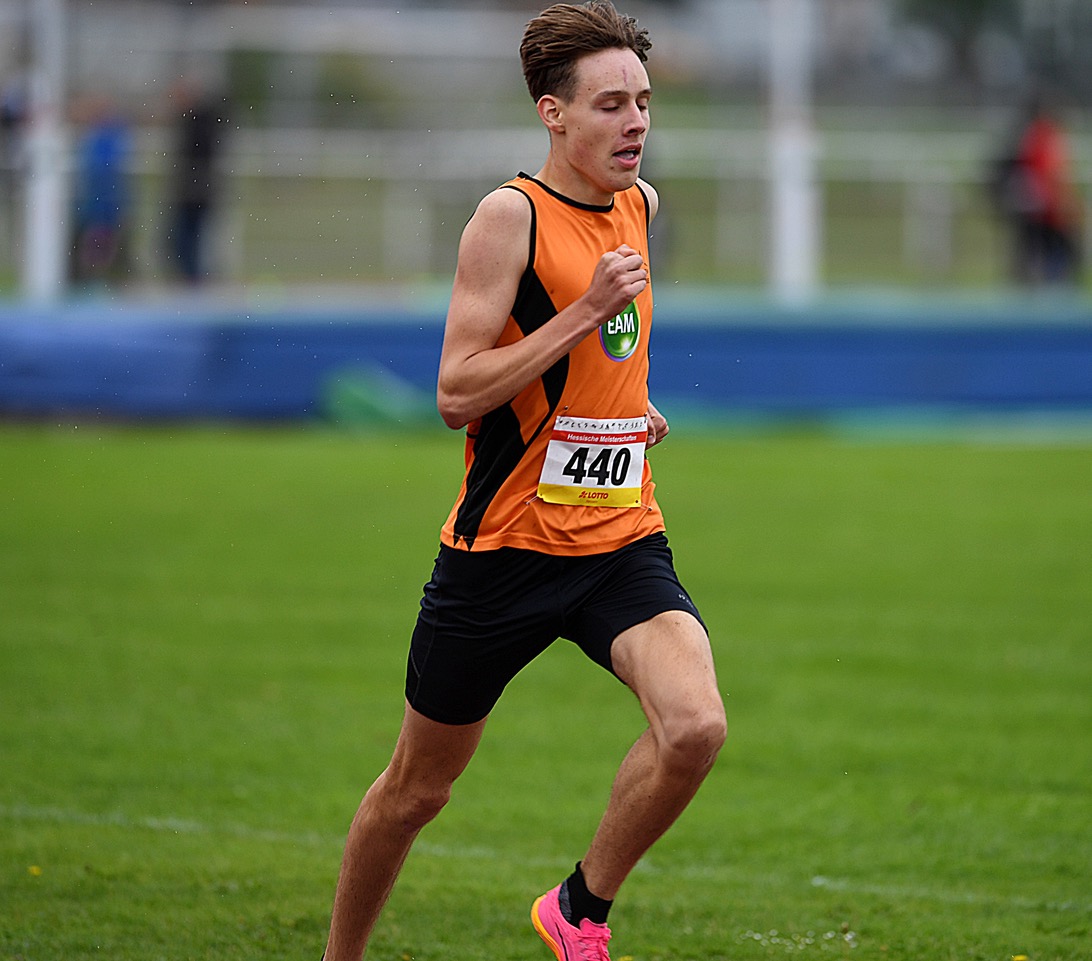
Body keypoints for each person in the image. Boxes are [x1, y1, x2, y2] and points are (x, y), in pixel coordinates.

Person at [323, 4, 726, 960]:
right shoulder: (509, 218)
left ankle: (579, 907)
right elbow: (457, 392)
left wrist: (628, 405)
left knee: (695, 726)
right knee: (417, 789)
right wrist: (582, 313)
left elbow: (598, 361)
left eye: (643, 102)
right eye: (610, 105)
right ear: (553, 112)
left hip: (619, 537)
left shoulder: (639, 204)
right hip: (502, 552)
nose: (635, 122)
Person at [990, 92, 1083, 287]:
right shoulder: (1041, 137)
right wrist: (1063, 203)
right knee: (1047, 248)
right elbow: (1050, 174)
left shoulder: (1030, 135)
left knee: (1037, 248)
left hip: (1036, 205)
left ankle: (1039, 284)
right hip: (1043, 207)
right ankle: (1046, 286)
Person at [166, 79, 228, 284]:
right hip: (190, 191)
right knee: (185, 240)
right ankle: (191, 279)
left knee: (190, 240)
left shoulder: (201, 122)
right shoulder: (194, 122)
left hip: (197, 192)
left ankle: (194, 281)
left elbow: (201, 153)